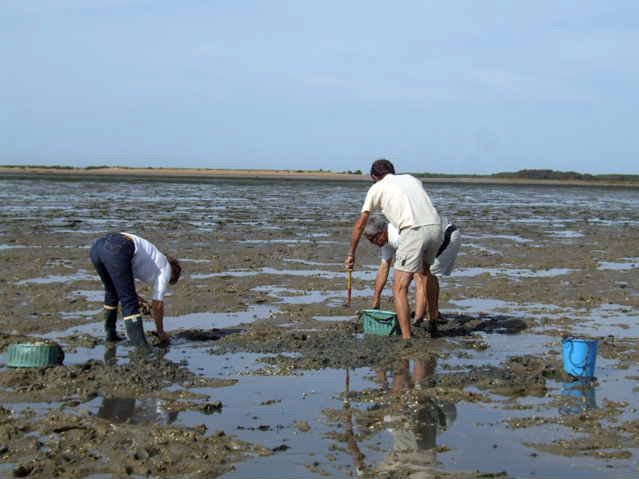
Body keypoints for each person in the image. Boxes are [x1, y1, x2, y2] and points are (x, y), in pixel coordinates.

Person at [345, 159, 442, 339]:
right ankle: (433, 321)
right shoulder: (412, 179)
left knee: (399, 287)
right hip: (436, 227)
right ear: (393, 171)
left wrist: (351, 253)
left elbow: (360, 225)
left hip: (413, 230)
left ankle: (407, 338)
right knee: (427, 274)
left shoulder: (376, 188)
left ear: (374, 177)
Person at [364, 216, 461, 326]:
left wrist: (416, 320)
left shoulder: (398, 238)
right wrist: (376, 300)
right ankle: (433, 314)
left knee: (425, 274)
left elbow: (420, 278)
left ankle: (423, 317)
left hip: (447, 235)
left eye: (372, 239)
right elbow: (384, 268)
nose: (372, 243)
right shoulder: (386, 239)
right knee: (427, 275)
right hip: (430, 236)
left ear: (381, 232)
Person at [90, 232, 181, 346]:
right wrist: (161, 332)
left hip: (97, 247)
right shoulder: (166, 268)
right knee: (129, 302)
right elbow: (158, 305)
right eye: (170, 281)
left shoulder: (151, 259)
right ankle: (140, 347)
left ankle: (111, 335)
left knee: (112, 291)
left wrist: (141, 301)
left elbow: (121, 286)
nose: (167, 283)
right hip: (120, 247)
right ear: (174, 273)